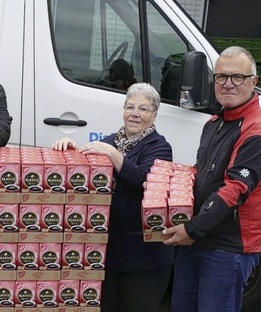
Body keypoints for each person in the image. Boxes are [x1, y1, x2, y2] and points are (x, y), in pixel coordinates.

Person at [162, 46, 261, 312]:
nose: (228, 84)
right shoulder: (215, 122)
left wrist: (191, 229)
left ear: (254, 82)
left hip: (227, 249)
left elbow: (234, 191)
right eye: (221, 77)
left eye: (237, 77)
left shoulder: (258, 131)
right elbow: (202, 174)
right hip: (196, 240)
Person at [53, 83, 174, 312]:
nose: (135, 114)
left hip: (144, 260)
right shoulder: (110, 142)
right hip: (109, 254)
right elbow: (83, 172)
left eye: (143, 109)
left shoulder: (160, 147)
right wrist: (68, 149)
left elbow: (142, 179)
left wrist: (112, 154)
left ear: (154, 115)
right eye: (130, 107)